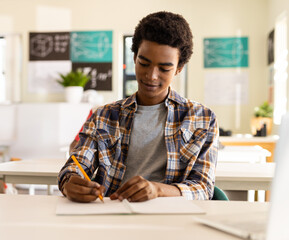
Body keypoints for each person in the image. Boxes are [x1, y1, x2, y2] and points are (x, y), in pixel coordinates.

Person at [58, 11, 219, 203]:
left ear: (179, 68)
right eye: (144, 63)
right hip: (112, 215)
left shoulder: (203, 118)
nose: (151, 75)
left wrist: (158, 190)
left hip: (174, 221)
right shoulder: (104, 115)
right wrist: (70, 182)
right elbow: (77, 164)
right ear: (134, 57)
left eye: (164, 68)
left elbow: (203, 188)